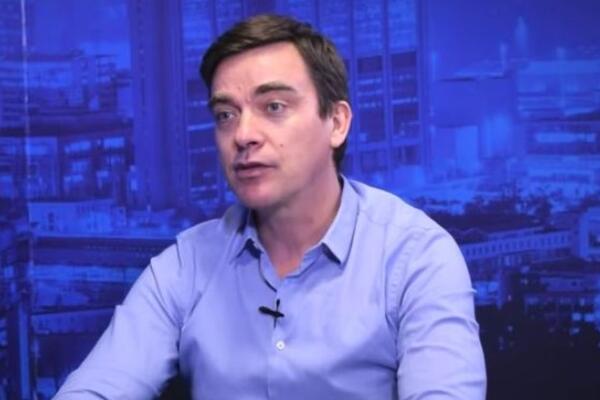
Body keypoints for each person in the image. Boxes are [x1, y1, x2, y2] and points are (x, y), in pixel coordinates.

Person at [54, 14, 486, 400]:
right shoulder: (186, 266)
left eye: (274, 107)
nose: (243, 135)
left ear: (337, 123)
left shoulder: (415, 258)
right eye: (225, 115)